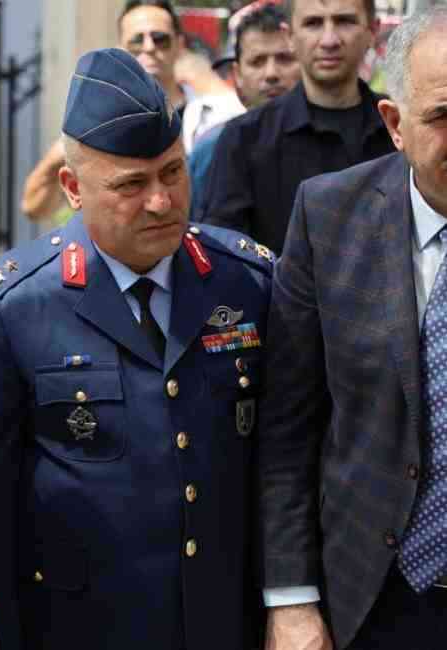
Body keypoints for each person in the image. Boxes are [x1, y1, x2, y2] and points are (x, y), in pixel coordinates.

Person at [0, 47, 274, 650]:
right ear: (72, 187)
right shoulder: (9, 307)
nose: (161, 201)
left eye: (172, 172)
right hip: (77, 627)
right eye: (131, 184)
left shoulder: (246, 280)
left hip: (223, 623)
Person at [258, 7, 447, 649]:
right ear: (394, 124)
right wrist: (292, 600)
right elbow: (287, 425)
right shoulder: (329, 218)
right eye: (443, 116)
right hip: (370, 597)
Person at [197, 0, 394, 254]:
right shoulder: (244, 138)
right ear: (289, 35)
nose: (329, 40)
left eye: (344, 21)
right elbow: (225, 253)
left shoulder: (403, 126)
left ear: (373, 31)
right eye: (313, 23)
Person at [22, 0, 188, 220]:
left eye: (160, 39)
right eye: (137, 40)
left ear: (180, 45)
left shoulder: (209, 114)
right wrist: (64, 152)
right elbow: (34, 208)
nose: (149, 47)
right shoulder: (97, 122)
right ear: (122, 50)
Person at [188, 2, 301, 216]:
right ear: (237, 74)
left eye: (284, 59)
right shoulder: (210, 148)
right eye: (257, 61)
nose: (271, 73)